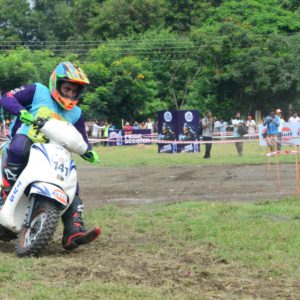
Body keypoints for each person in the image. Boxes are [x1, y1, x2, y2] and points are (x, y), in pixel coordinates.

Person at [0, 61, 101, 250]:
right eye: (67, 89)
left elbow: (81, 138)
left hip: (54, 154)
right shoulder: (38, 91)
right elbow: (7, 98)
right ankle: (5, 191)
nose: (70, 94)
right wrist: (21, 111)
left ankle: (73, 229)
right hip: (27, 140)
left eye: (75, 92)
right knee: (19, 148)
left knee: (72, 182)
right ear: (56, 83)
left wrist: (88, 151)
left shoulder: (77, 113)